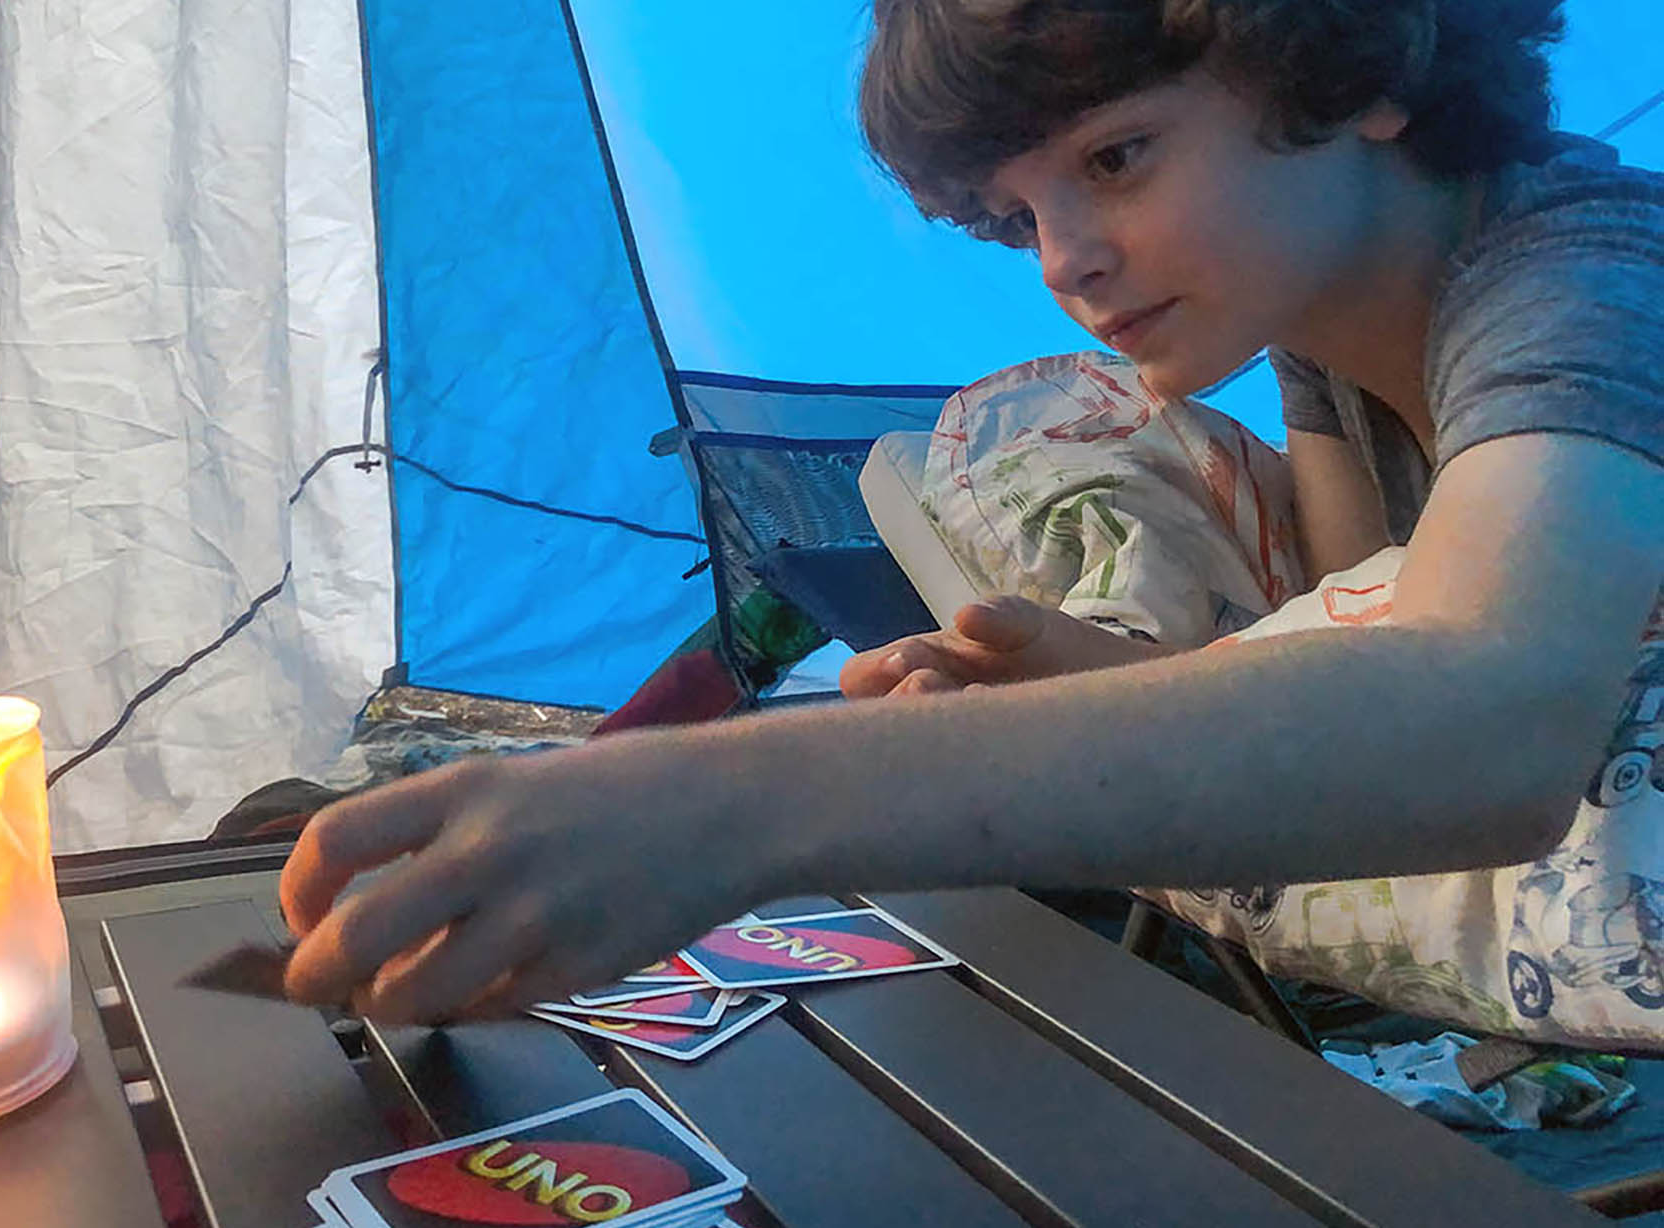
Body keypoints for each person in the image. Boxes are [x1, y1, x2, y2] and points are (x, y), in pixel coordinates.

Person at [278, 0, 1664, 1025]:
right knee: (1038, 416)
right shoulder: (1321, 313)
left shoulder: (1588, 275)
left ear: (1356, 63)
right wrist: (1078, 693)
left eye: (1116, 157)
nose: (1067, 258)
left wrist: (750, 800)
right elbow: (1351, 673)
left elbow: (1481, 721)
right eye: (1015, 219)